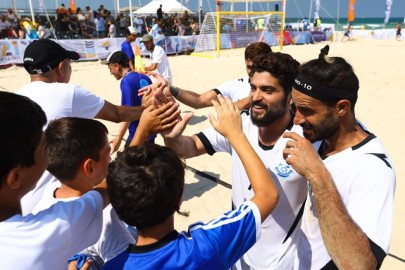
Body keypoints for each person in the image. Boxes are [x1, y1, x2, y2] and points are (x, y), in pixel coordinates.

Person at [162, 52, 320, 269]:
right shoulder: (240, 124)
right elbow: (187, 147)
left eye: (268, 90)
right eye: (253, 87)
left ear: (290, 96)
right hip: (237, 258)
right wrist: (170, 136)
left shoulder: (306, 140)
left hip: (280, 263)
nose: (255, 97)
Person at [102, 94, 279, 269]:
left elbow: (117, 182)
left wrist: (142, 131)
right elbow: (268, 195)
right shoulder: (206, 248)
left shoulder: (111, 266)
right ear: (179, 199)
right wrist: (235, 135)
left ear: (117, 204)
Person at [17, 39, 177, 215]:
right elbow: (118, 114)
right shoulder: (68, 93)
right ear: (62, 67)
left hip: (17, 203)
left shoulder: (18, 98)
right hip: (54, 206)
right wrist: (146, 108)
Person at [283, 45, 396, 269]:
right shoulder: (315, 135)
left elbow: (361, 265)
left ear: (342, 107)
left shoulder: (373, 169)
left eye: (307, 110)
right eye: (294, 107)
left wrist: (318, 175)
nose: (296, 119)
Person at [0, 91, 110, 269]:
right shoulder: (46, 233)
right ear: (15, 178)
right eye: (44, 148)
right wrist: (143, 130)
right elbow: (104, 191)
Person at [31, 117, 135, 268]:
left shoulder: (51, 191)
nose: (110, 158)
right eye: (107, 153)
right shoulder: (103, 218)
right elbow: (132, 264)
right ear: (90, 167)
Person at [167, 42, 272, 110]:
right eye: (249, 67)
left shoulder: (281, 89)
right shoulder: (236, 85)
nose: (253, 72)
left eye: (257, 67)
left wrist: (246, 102)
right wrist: (169, 88)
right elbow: (199, 100)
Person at [106, 51, 156, 153]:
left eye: (110, 69)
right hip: (151, 130)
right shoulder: (145, 77)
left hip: (138, 133)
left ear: (117, 66)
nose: (110, 73)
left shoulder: (126, 81)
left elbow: (126, 114)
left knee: (128, 163)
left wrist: (119, 138)